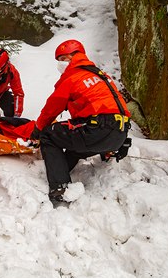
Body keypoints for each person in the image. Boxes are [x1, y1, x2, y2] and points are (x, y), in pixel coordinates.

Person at [32, 39, 132, 203]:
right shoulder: (101, 75)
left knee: (48, 135)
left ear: (73, 56)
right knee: (74, 145)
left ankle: (59, 187)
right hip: (119, 135)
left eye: (63, 59)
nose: (60, 64)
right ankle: (62, 168)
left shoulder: (72, 78)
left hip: (96, 131)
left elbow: (52, 108)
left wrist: (38, 129)